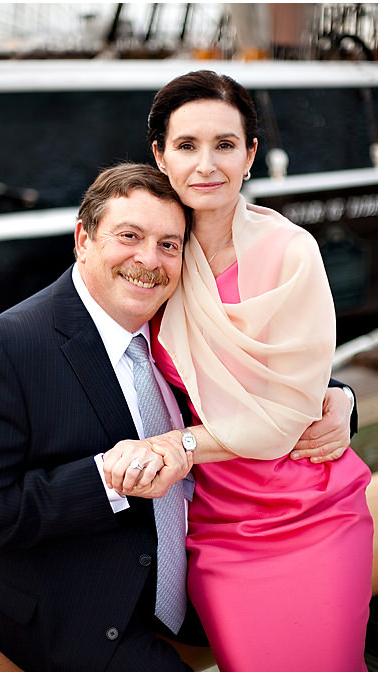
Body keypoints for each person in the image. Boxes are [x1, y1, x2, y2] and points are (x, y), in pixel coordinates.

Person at [0, 162, 357, 672]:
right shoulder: (2, 347)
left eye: (169, 244)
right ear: (83, 240)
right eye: (129, 236)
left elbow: (265, 382)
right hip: (72, 602)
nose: (148, 260)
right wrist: (107, 481)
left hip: (200, 574)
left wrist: (341, 397)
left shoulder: (176, 315)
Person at [106, 70, 373, 671]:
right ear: (160, 155)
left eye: (225, 144)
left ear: (251, 155)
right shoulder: (157, 260)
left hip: (312, 506)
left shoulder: (290, 251)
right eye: (186, 145)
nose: (206, 164)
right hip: (217, 525)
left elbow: (285, 407)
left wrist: (337, 398)